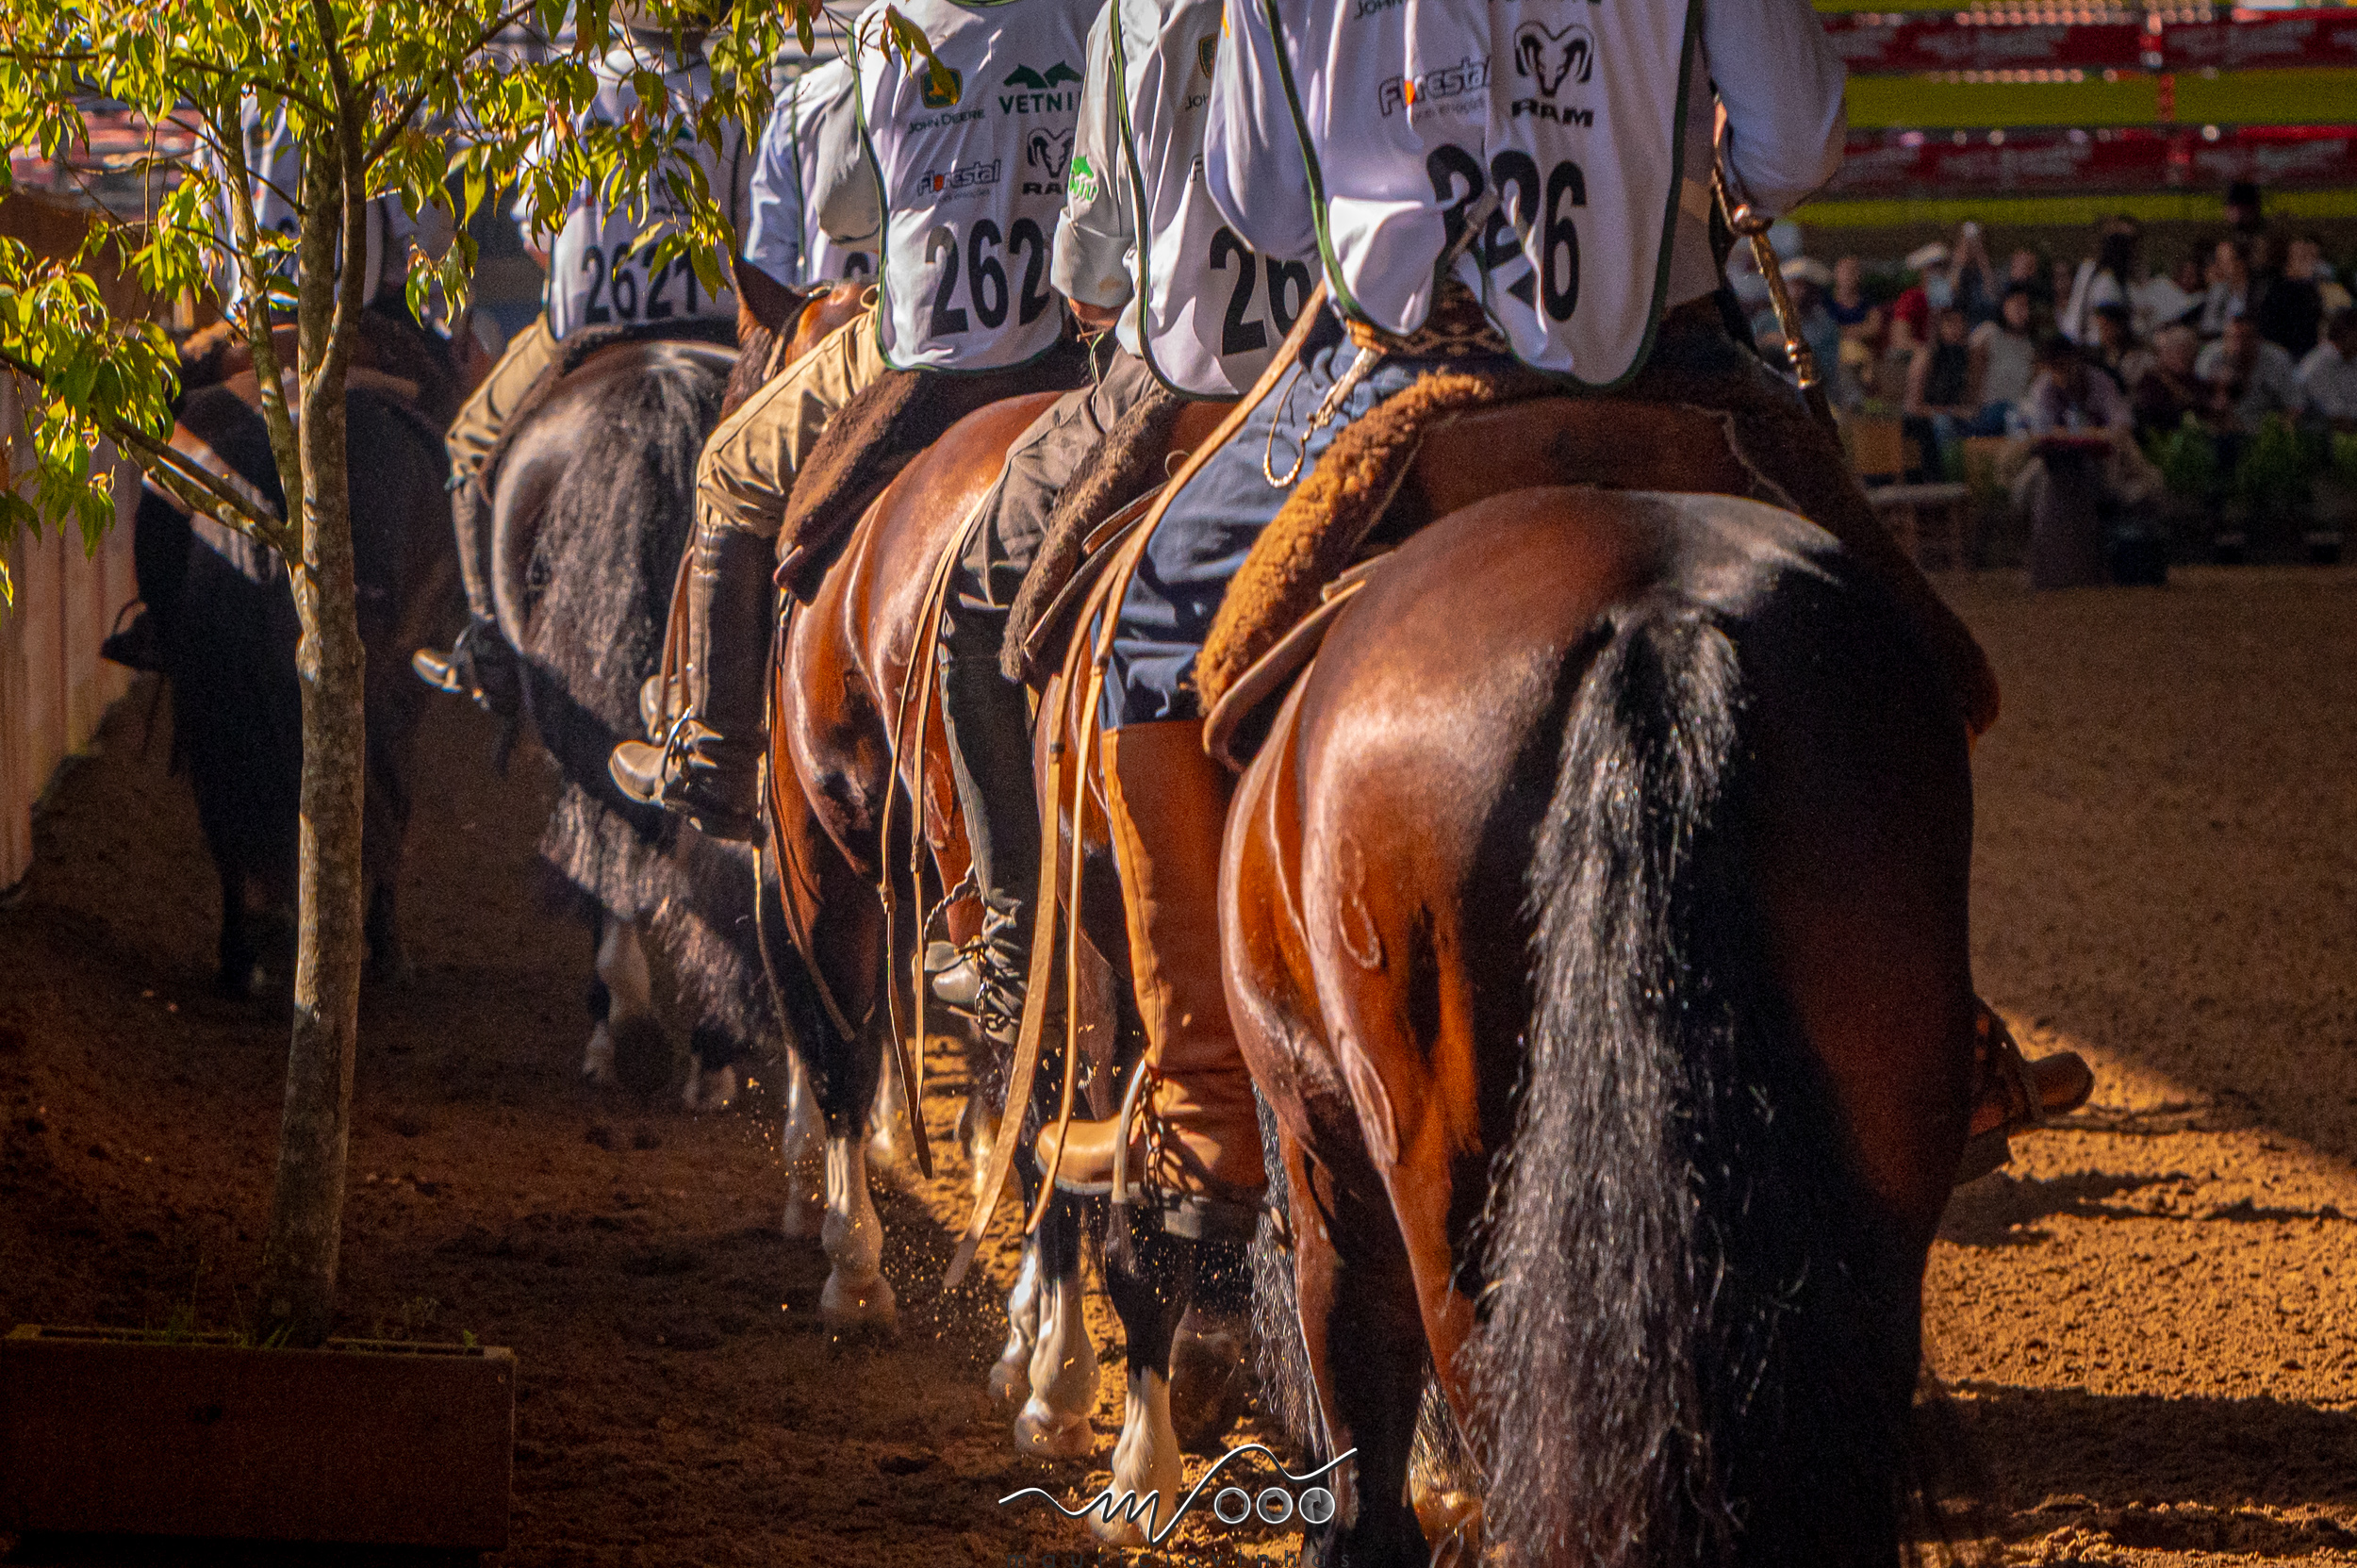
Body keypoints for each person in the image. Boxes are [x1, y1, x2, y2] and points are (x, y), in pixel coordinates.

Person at [1035, 0, 2052, 1219]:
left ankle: (1206, 1095)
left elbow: (1260, 206)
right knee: (1895, 644)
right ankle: (1941, 1037)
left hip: (1407, 374)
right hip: (1667, 367)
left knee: (1150, 631)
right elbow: (1796, 144)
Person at [608, 0, 1099, 834]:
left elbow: (848, 211)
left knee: (727, 469)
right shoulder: (1091, 15)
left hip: (921, 357)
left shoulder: (883, 32)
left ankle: (718, 755)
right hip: (1068, 348)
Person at [926, 0, 1297, 1044]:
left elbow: (1092, 277)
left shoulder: (1128, 20)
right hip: (1335, 370)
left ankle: (1012, 942)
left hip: (1174, 385)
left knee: (973, 605)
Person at [416, 7, 755, 701]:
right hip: (716, 332)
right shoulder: (737, 94)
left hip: (584, 336)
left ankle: (489, 641)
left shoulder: (575, 90)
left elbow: (537, 236)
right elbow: (759, 231)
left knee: (469, 445)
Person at [742, 58, 879, 295]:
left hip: (822, 309)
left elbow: (769, 264)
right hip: (903, 311)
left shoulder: (801, 100)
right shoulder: (923, 85)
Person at [2197, 308, 2305, 433]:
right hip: (2220, 429)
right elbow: (2199, 399)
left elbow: (2295, 406)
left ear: (2258, 339)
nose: (2238, 346)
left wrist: (2277, 432)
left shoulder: (2278, 360)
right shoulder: (2210, 358)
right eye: (2232, 338)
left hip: (2264, 428)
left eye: (2245, 338)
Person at [1904, 304, 1981, 473]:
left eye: (1960, 323)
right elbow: (1912, 407)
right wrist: (1950, 412)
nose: (1956, 329)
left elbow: (1970, 399)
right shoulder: (1925, 357)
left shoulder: (1964, 357)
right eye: (1950, 323)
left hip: (1953, 417)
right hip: (1922, 420)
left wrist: (1965, 411)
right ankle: (1948, 477)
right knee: (1943, 424)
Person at [1969, 284, 2037, 429]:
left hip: (2020, 412)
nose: (2021, 312)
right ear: (2005, 306)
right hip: (1990, 409)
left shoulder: (2029, 347)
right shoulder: (1989, 334)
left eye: (2025, 306)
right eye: (2017, 305)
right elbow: (1973, 372)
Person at [2061, 220, 2139, 346]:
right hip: (2091, 343)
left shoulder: (2094, 271)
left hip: (2081, 338)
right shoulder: (2105, 281)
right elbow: (2105, 325)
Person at [2250, 234, 2324, 361]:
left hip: (2301, 353)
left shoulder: (2311, 287)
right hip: (2284, 353)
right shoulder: (2276, 288)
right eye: (2302, 257)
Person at [2131, 322, 2207, 440]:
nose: (2187, 356)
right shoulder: (2151, 381)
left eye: (2191, 351)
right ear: (2166, 352)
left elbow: (2203, 406)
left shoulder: (2194, 381)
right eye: (2181, 351)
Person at [2298, 309, 2357, 425]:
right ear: (2347, 333)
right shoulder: (2321, 361)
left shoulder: (2352, 359)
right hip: (2317, 428)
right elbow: (2335, 414)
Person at [2199, 237, 2250, 338]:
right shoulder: (2218, 289)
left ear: (2240, 263)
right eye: (2219, 261)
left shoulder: (2255, 290)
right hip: (2218, 340)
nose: (2219, 267)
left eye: (2226, 261)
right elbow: (2208, 325)